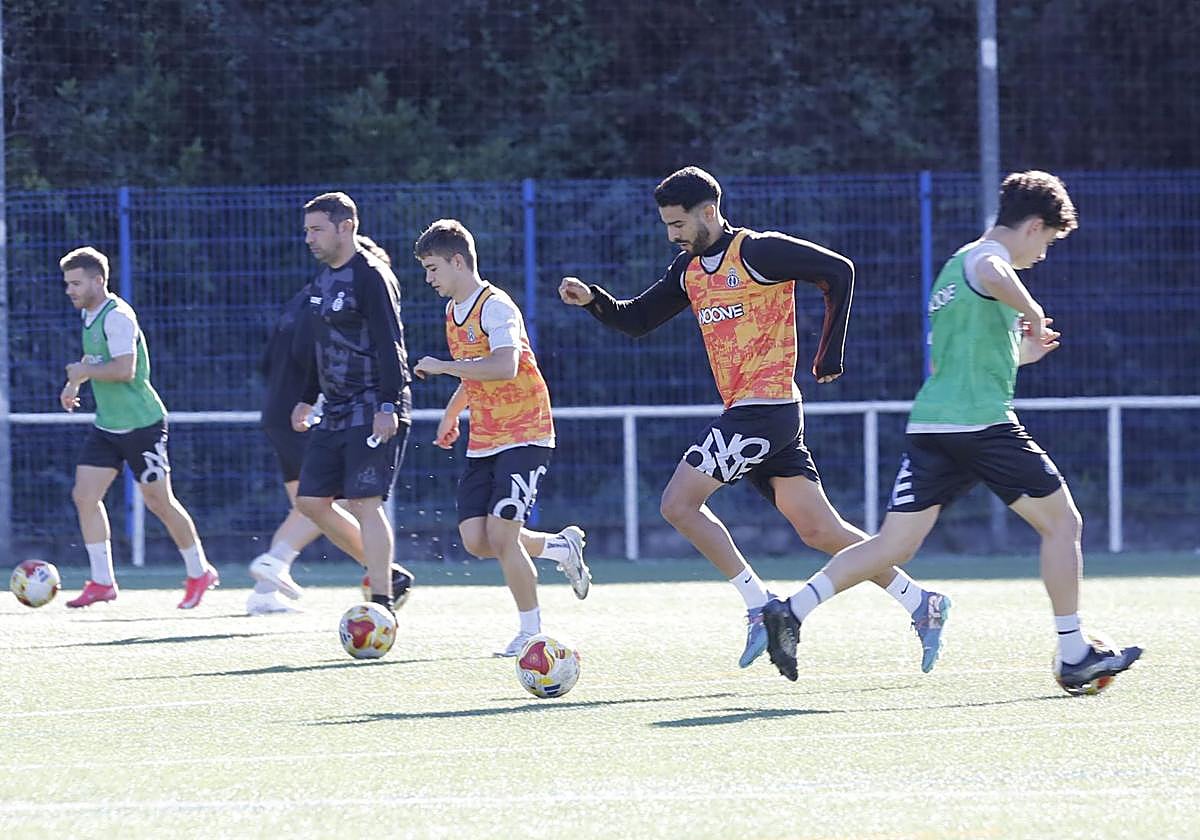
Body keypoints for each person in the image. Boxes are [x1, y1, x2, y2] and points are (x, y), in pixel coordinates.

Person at [760, 171, 1143, 693]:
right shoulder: (986, 259)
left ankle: (791, 610)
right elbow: (993, 268)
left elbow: (961, 358)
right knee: (1063, 524)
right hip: (981, 425)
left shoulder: (951, 271)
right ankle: (1074, 651)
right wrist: (1031, 310)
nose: (1042, 255)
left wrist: (1022, 352)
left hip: (933, 426)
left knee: (894, 544)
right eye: (1047, 242)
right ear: (1033, 226)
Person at [558, 166, 948, 670]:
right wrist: (595, 301)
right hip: (756, 414)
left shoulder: (756, 252)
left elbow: (839, 272)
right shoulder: (689, 271)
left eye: (678, 224)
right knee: (821, 531)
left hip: (766, 409)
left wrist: (828, 354)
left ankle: (758, 604)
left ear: (708, 212)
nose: (672, 235)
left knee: (678, 504)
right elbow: (637, 320)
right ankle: (922, 603)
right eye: (667, 225)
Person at [413, 219, 591, 657]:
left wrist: (441, 366)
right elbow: (475, 371)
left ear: (458, 262)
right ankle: (559, 547)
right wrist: (451, 414)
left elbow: (504, 366)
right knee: (478, 540)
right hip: (485, 437)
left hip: (526, 432)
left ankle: (531, 633)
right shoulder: (452, 312)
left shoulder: (495, 306)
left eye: (433, 268)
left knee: (503, 535)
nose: (429, 279)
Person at [246, 235, 410, 615]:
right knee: (333, 499)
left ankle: (267, 588)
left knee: (313, 501)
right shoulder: (328, 290)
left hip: (280, 409)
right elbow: (313, 352)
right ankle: (279, 559)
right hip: (318, 408)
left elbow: (271, 358)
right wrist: (309, 396)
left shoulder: (305, 296)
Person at [58, 246, 219, 609]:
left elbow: (124, 369)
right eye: (67, 284)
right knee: (84, 496)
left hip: (142, 424)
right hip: (108, 425)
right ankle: (102, 582)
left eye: (76, 283)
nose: (69, 290)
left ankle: (199, 571)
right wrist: (74, 384)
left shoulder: (118, 317)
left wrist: (83, 372)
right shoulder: (89, 314)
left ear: (98, 281)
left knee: (159, 502)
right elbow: (94, 358)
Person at [287, 192, 414, 613]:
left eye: (317, 229)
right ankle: (386, 573)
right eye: (307, 230)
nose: (309, 238)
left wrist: (388, 404)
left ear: (347, 227)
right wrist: (308, 398)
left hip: (373, 404)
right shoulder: (322, 281)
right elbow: (320, 345)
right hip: (335, 409)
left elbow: (390, 343)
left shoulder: (371, 276)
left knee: (364, 502)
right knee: (310, 501)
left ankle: (380, 602)